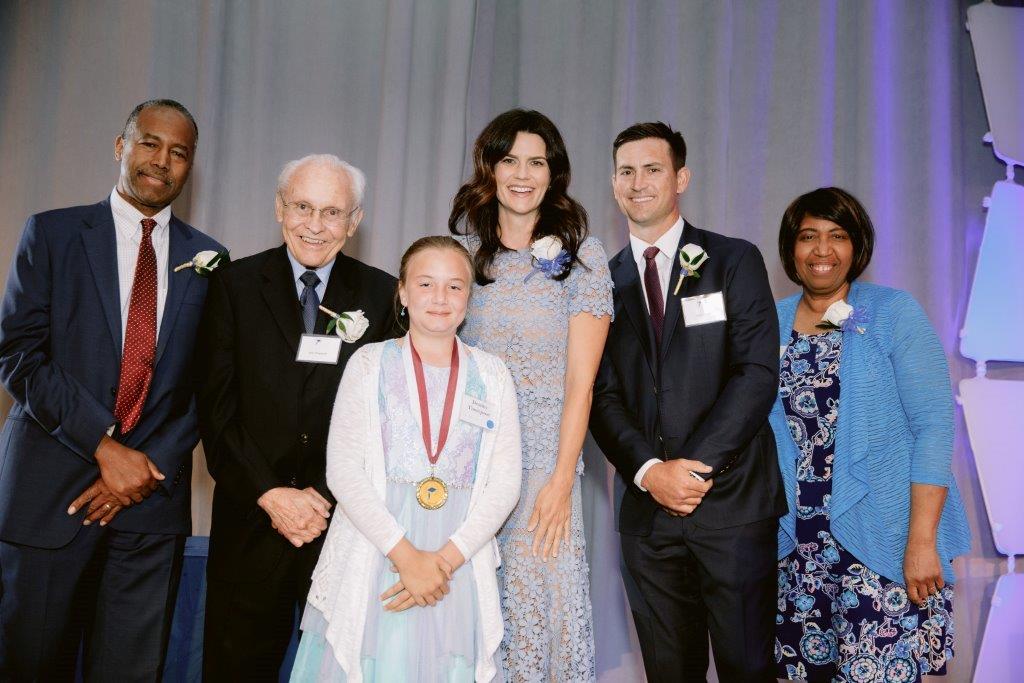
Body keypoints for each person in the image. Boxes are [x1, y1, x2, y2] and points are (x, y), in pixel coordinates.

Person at [0, 99, 223, 680]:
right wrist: (104, 448)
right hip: (50, 495)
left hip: (150, 508)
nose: (162, 160)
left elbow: (208, 386)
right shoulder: (52, 233)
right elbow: (19, 354)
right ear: (121, 146)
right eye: (150, 142)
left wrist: (140, 471)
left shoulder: (211, 260)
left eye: (179, 152)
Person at [590, 121, 785, 682]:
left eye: (652, 169)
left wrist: (692, 471)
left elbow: (756, 374)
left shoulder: (732, 260)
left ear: (681, 178)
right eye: (626, 171)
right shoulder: (599, 283)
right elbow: (599, 394)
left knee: (748, 669)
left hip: (732, 506)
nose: (638, 183)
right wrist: (651, 473)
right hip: (648, 515)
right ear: (613, 184)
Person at [195, 154, 397, 679]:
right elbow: (216, 411)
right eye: (303, 207)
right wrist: (270, 493)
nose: (315, 224)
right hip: (251, 521)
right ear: (280, 209)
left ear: (354, 222)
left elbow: (387, 420)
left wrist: (326, 498)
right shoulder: (234, 286)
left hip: (342, 525)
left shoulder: (382, 295)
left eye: (332, 212)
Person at [289, 236, 522, 682]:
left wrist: (442, 563)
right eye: (426, 283)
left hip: (455, 565)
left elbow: (505, 483)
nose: (440, 298)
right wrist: (408, 558)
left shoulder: (493, 375)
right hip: (378, 549)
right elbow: (343, 470)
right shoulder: (368, 364)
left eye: (454, 286)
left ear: (469, 297)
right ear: (402, 292)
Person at [769, 187, 971, 682]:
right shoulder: (770, 320)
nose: (822, 250)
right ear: (790, 248)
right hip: (797, 545)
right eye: (808, 236)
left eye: (837, 236)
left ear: (857, 247)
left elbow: (933, 428)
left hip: (883, 538)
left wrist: (921, 540)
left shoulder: (892, 312)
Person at [449, 109, 613, 680]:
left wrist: (562, 480)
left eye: (536, 162)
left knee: (539, 601)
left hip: (545, 459)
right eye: (510, 160)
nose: (523, 174)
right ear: (489, 169)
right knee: (470, 603)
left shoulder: (584, 257)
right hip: (470, 458)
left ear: (553, 173)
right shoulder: (462, 254)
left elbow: (581, 384)